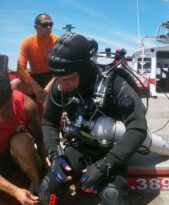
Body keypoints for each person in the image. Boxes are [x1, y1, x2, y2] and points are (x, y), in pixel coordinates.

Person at [38, 33, 147, 205]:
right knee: (46, 189)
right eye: (57, 79)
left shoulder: (115, 82)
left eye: (68, 79)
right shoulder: (59, 86)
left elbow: (138, 127)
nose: (61, 86)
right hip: (82, 144)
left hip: (114, 148)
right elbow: (49, 121)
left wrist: (105, 165)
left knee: (112, 196)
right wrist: (54, 155)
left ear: (84, 70)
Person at [0, 74, 47, 205]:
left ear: (12, 94)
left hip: (15, 154)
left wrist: (48, 164)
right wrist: (15, 191)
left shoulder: (25, 105)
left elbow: (40, 138)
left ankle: (39, 190)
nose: (3, 118)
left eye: (6, 110)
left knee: (21, 141)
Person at [11, 13, 58, 103]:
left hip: (53, 78)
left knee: (68, 82)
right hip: (35, 79)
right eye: (45, 25)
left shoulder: (57, 41)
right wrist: (35, 86)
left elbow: (62, 68)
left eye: (50, 24)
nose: (49, 27)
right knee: (14, 84)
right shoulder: (27, 42)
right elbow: (20, 69)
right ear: (36, 27)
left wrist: (48, 87)